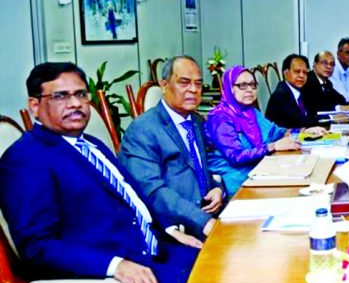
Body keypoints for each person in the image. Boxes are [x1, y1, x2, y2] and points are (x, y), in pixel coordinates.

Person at [0, 62, 198, 283]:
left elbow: (130, 198)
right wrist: (115, 266)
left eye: (81, 94)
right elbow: (38, 246)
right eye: (60, 96)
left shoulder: (91, 143)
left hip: (156, 249)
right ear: (34, 106)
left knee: (230, 265)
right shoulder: (26, 159)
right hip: (111, 277)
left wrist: (168, 229)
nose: (75, 104)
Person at [120, 55, 225, 241]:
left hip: (210, 213)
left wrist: (217, 189)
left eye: (198, 84)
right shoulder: (143, 129)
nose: (193, 90)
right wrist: (203, 221)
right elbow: (152, 190)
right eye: (184, 82)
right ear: (164, 85)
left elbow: (199, 168)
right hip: (175, 228)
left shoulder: (195, 121)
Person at [205, 66, 327, 196]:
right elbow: (236, 156)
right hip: (236, 181)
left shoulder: (250, 111)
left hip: (259, 170)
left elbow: (276, 132)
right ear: (230, 88)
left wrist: (304, 131)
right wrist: (272, 147)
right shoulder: (220, 118)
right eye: (243, 85)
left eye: (253, 85)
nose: (250, 90)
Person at [265, 54, 320, 129]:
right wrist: (329, 119)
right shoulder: (280, 96)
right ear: (286, 73)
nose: (301, 76)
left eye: (305, 72)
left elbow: (312, 112)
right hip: (283, 138)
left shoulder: (301, 90)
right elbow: (299, 121)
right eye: (297, 71)